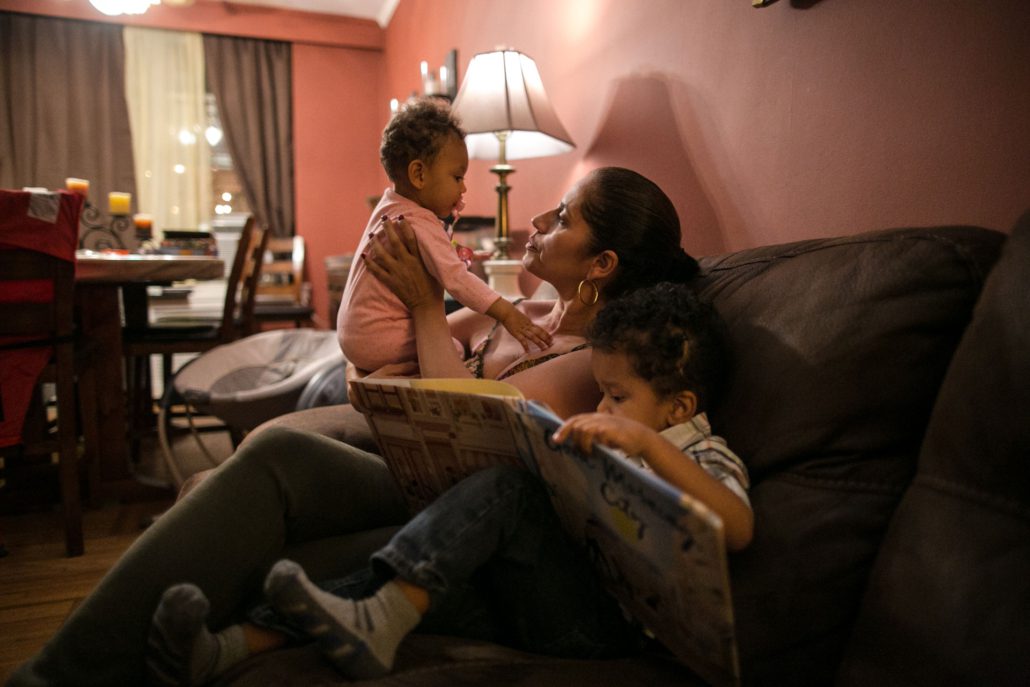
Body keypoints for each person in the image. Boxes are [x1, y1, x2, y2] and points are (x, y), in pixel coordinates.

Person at [8, 167, 702, 686]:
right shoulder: (515, 319)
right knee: (265, 458)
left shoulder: (588, 363)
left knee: (287, 538)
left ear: (600, 266)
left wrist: (429, 309)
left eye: (564, 218)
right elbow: (383, 367)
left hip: (464, 526)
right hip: (409, 476)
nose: (539, 219)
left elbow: (455, 414)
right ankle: (65, 668)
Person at [243, 282, 753, 681]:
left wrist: (649, 446)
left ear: (680, 407)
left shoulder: (702, 452)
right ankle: (239, 641)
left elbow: (736, 527)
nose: (601, 408)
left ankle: (371, 616)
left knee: (510, 490)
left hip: (606, 630)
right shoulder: (623, 437)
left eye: (615, 397)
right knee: (424, 584)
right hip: (544, 598)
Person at [339, 98, 551, 374]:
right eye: (456, 177)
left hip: (354, 335)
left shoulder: (389, 208)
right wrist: (508, 314)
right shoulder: (419, 221)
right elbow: (456, 279)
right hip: (379, 339)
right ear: (418, 174)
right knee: (454, 349)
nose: (463, 188)